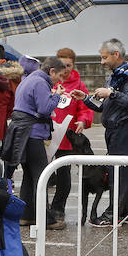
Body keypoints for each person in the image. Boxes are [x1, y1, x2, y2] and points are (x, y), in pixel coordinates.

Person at [81, 38, 128, 226]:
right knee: (122, 170)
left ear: (116, 55)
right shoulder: (116, 75)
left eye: (104, 57)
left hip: (124, 128)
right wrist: (84, 98)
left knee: (119, 172)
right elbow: (104, 107)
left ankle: (114, 213)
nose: (102, 62)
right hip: (115, 129)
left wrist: (111, 93)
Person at [4, 56, 71, 228]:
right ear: (52, 71)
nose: (60, 80)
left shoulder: (28, 79)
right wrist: (56, 96)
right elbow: (44, 109)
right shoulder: (40, 82)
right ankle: (46, 219)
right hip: (31, 134)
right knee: (42, 176)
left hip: (22, 132)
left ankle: (26, 216)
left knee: (29, 175)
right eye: (60, 76)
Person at [48, 47, 94, 226]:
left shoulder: (79, 85)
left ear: (73, 65)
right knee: (45, 173)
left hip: (67, 138)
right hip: (49, 135)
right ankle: (43, 208)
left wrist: (83, 121)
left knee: (63, 174)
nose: (65, 69)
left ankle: (58, 208)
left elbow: (85, 108)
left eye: (68, 65)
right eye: (62, 65)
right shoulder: (50, 82)